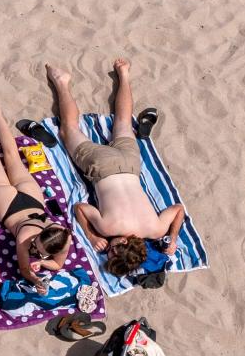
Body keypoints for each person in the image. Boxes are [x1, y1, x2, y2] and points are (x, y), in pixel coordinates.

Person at [46, 59, 184, 277]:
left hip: (130, 165)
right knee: (68, 129)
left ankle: (124, 73)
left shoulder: (157, 229)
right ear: (122, 244)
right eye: (112, 252)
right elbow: (79, 208)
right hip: (102, 167)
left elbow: (178, 209)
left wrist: (173, 237)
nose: (108, 250)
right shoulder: (108, 228)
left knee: (123, 122)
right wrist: (92, 236)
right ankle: (62, 83)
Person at [0, 98, 73, 293]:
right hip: (8, 206)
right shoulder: (25, 238)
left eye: (39, 251)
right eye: (37, 245)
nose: (35, 249)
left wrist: (43, 264)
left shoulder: (63, 236)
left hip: (33, 201)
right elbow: (24, 269)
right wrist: (36, 279)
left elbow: (56, 265)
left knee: (9, 156)